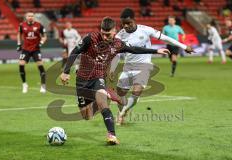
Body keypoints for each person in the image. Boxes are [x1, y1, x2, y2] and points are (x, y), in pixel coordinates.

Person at [60, 17, 170, 145]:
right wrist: (65, 71)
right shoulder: (90, 38)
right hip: (82, 79)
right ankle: (107, 94)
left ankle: (111, 135)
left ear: (114, 31)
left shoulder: (118, 44)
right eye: (103, 34)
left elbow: (134, 49)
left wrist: (156, 50)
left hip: (98, 77)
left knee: (103, 104)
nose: (105, 37)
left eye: (108, 34)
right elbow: (75, 52)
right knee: (87, 116)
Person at [110, 8, 193, 125]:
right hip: (128, 67)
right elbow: (117, 54)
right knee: (120, 94)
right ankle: (123, 111)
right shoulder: (119, 36)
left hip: (144, 66)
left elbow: (166, 38)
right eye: (124, 24)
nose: (126, 26)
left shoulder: (145, 30)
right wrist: (113, 69)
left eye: (129, 23)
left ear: (134, 20)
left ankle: (123, 112)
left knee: (137, 91)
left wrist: (184, 47)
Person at [17, 12, 47, 93]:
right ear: (26, 17)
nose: (30, 17)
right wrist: (19, 44)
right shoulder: (22, 25)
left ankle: (43, 85)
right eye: (29, 16)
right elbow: (19, 34)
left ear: (34, 17)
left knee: (40, 65)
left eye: (32, 16)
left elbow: (44, 36)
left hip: (36, 49)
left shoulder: (39, 25)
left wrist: (41, 43)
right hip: (26, 49)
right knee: (21, 64)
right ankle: (24, 84)